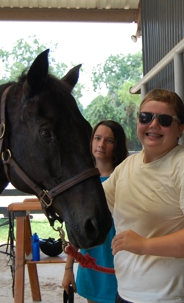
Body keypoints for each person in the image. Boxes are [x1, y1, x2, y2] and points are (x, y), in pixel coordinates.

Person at [102, 89, 184, 303]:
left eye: (165, 120)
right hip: (126, 294)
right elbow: (97, 207)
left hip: (175, 298)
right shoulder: (126, 167)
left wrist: (144, 245)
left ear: (180, 129)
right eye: (146, 117)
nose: (153, 125)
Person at [62, 120, 129, 303]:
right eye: (97, 138)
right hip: (91, 264)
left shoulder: (126, 179)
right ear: (90, 142)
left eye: (109, 140)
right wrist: (68, 269)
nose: (101, 144)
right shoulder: (80, 185)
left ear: (117, 146)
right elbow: (75, 230)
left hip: (120, 265)